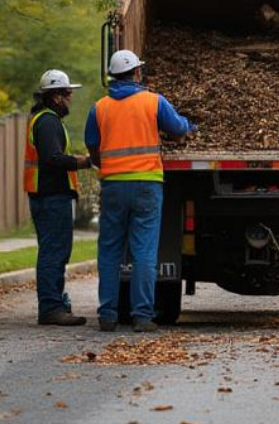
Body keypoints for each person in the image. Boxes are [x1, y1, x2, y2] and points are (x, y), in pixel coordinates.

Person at [85, 49, 196, 332]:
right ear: (137, 73)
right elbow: (177, 128)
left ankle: (108, 316)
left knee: (109, 251)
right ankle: (142, 316)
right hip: (146, 184)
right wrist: (190, 126)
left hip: (113, 186)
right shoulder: (153, 102)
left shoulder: (99, 108)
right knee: (144, 251)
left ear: (112, 76)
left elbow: (93, 148)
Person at [25, 69, 94, 326]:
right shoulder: (48, 122)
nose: (71, 98)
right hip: (51, 196)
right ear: (55, 97)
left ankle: (55, 304)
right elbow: (53, 159)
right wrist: (85, 162)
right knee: (54, 252)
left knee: (54, 251)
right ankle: (51, 308)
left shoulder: (44, 119)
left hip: (47, 195)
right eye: (67, 94)